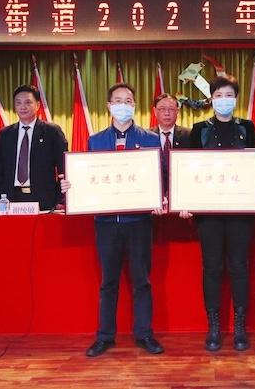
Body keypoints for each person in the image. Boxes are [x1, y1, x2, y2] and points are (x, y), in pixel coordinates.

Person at [61, 83, 165, 357]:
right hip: (106, 224)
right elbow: (88, 179)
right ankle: (105, 336)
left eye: (128, 100)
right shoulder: (95, 141)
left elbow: (160, 177)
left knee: (142, 281)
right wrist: (71, 186)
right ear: (108, 106)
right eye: (117, 101)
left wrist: (160, 197)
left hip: (139, 223)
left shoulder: (151, 139)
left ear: (135, 105)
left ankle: (144, 334)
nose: (123, 105)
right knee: (108, 282)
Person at [187, 75, 255, 352]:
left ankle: (240, 326)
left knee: (239, 266)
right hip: (209, 212)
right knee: (212, 267)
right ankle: (214, 326)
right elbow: (189, 170)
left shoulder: (247, 127)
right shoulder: (199, 130)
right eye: (218, 96)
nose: (224, 100)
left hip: (241, 210)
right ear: (211, 99)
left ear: (236, 99)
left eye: (229, 95)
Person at [0, 84, 68, 210]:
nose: (22, 107)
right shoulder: (5, 134)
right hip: (12, 198)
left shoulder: (52, 132)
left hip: (44, 200)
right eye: (18, 103)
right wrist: (2, 196)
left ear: (38, 105)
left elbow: (64, 169)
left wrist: (58, 199)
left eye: (28, 102)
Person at [150, 93, 191, 193]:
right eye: (162, 109)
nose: (167, 113)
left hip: (183, 190)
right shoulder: (147, 136)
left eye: (171, 109)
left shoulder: (189, 135)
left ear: (177, 111)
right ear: (155, 111)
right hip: (154, 191)